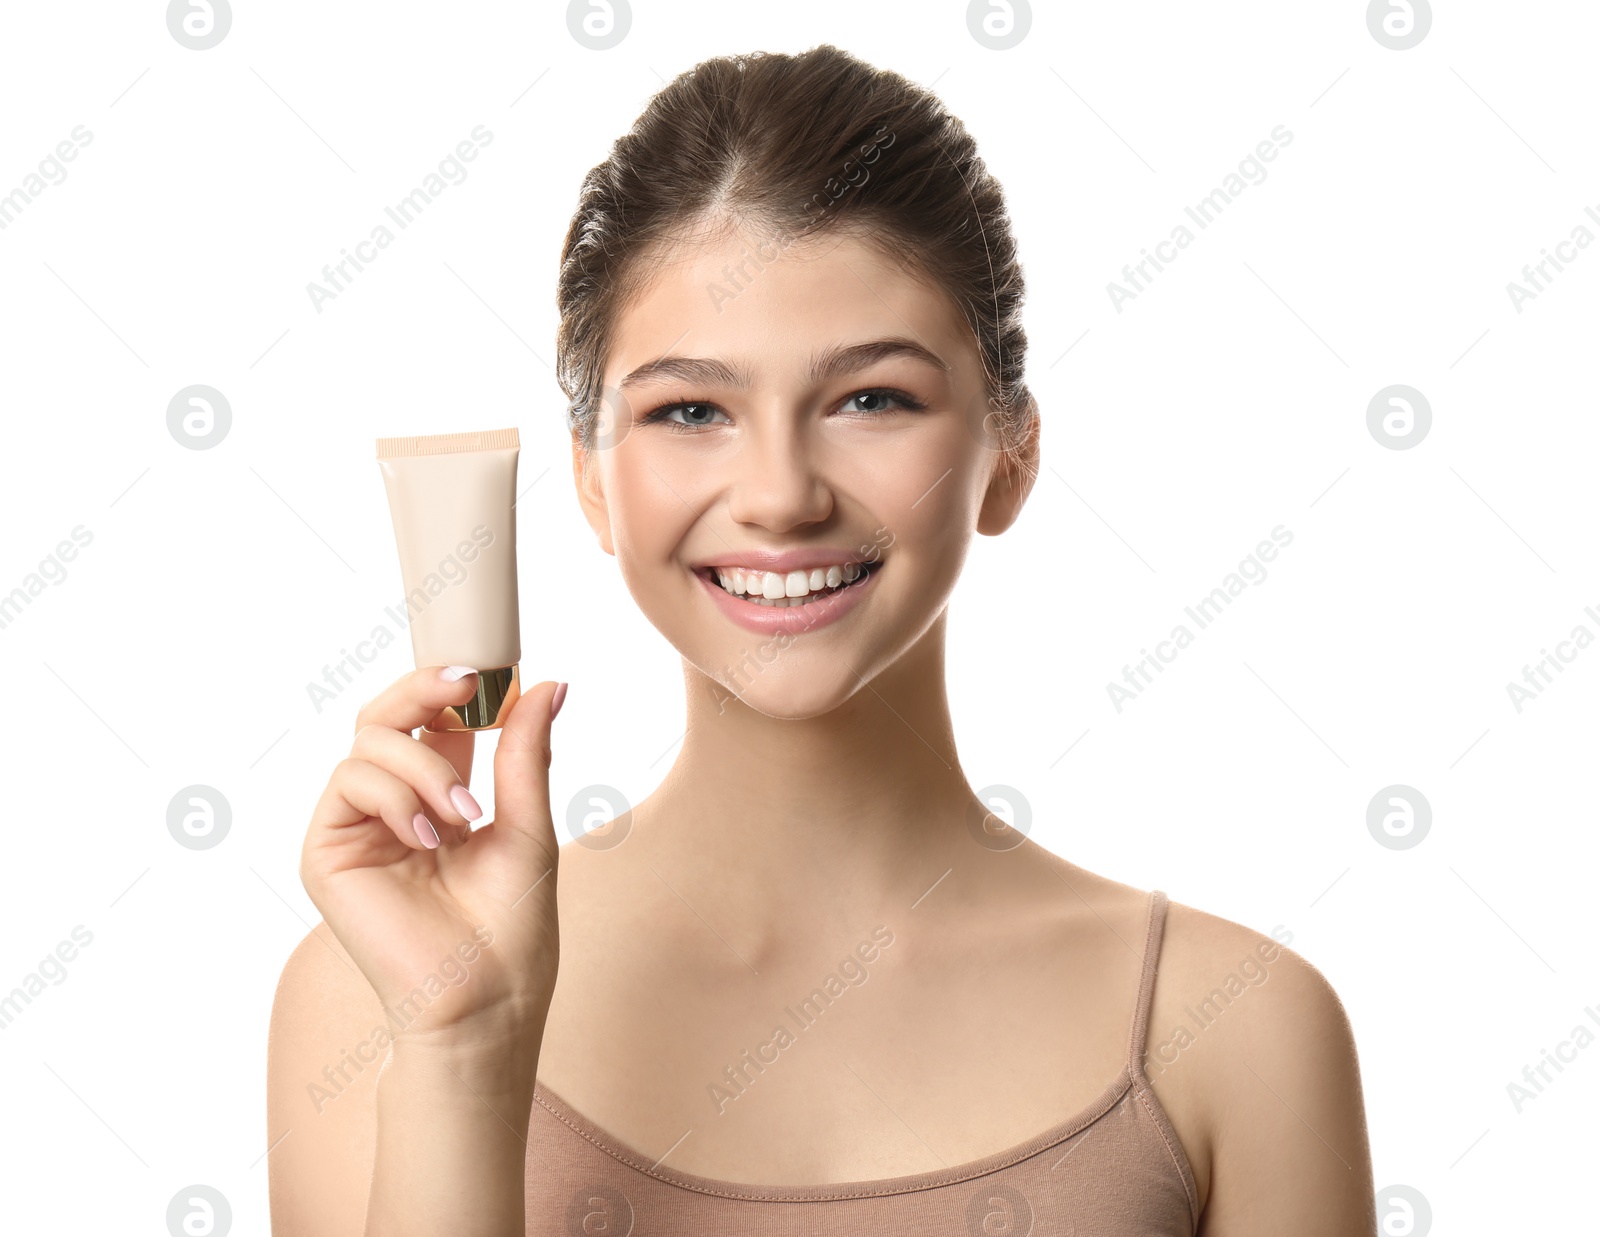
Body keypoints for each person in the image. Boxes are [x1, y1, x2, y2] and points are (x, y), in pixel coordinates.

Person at [268, 43, 1374, 1236]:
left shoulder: (1234, 1033)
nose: (781, 493)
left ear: (1011, 453)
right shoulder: (373, 990)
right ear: (593, 485)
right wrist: (462, 1047)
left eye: (870, 398)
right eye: (690, 410)